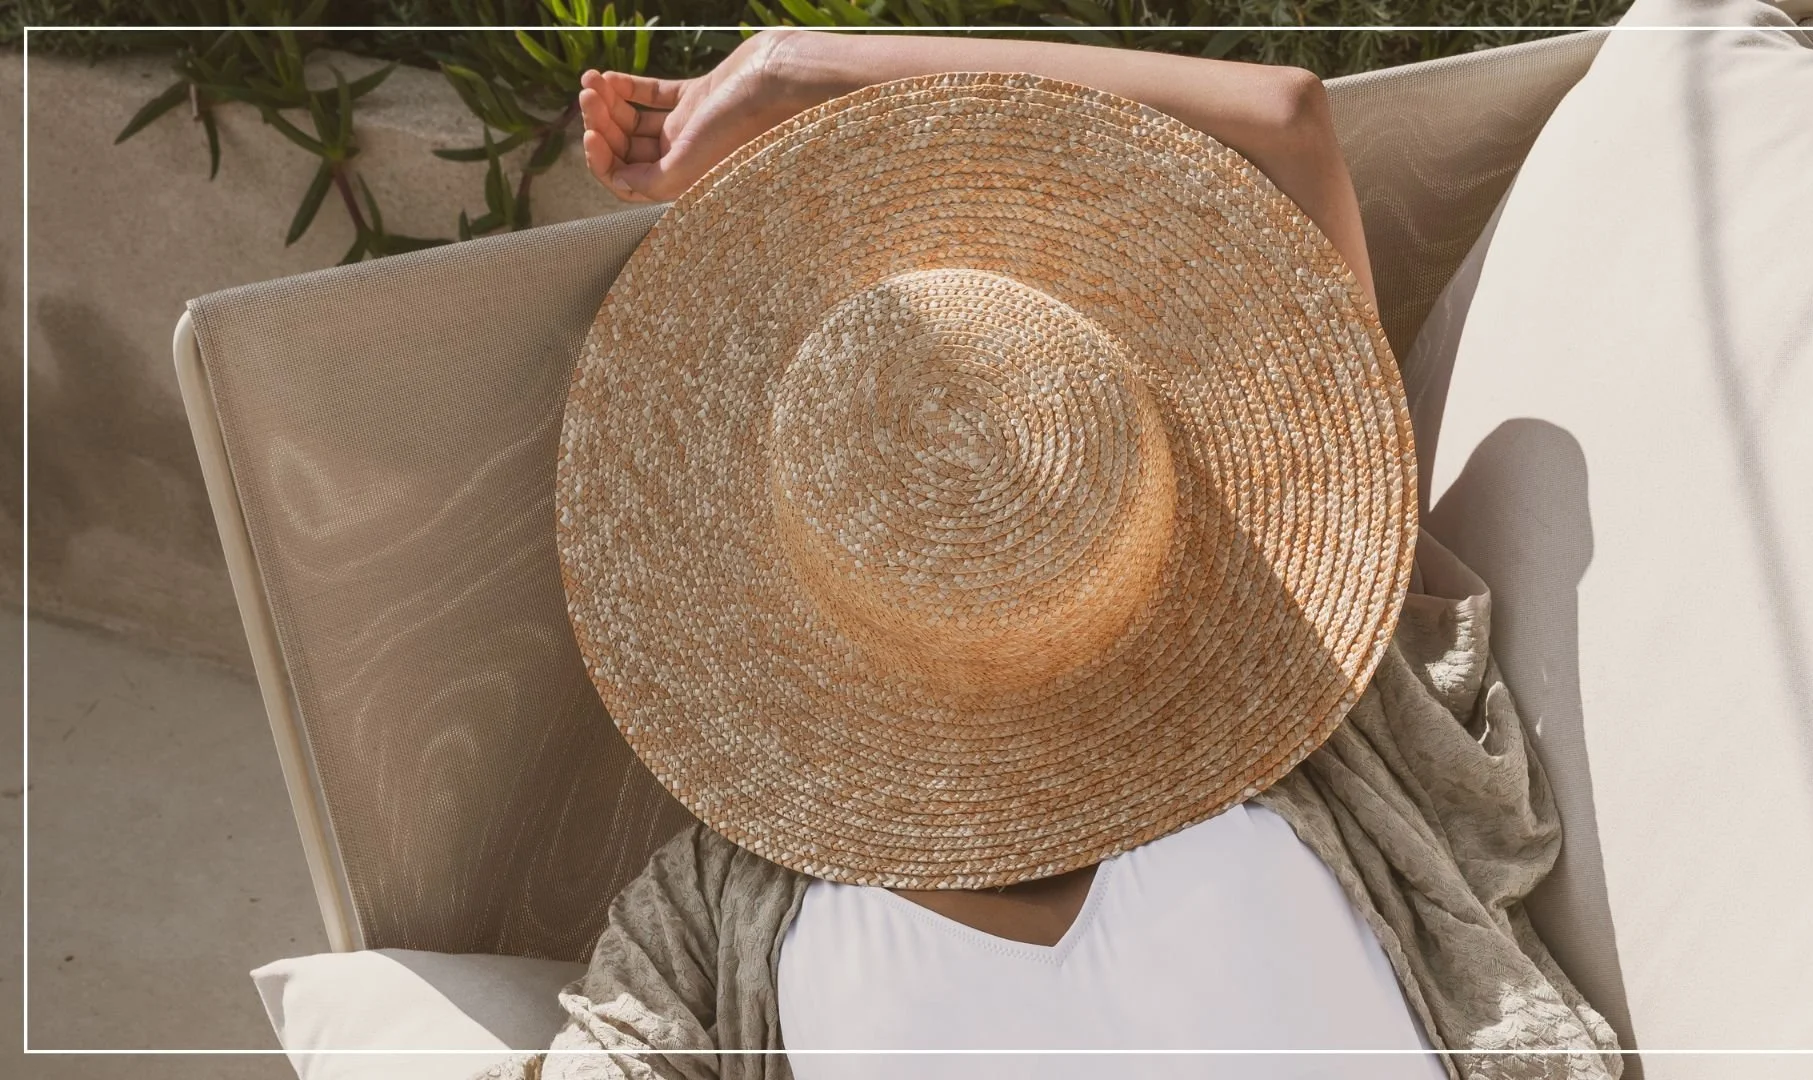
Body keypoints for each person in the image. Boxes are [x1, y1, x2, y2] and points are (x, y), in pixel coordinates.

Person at [469, 28, 1623, 1080]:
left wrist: (790, 74)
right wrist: (798, 72)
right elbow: (1284, 119)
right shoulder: (1313, 685)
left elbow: (1290, 112)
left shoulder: (1310, 687)